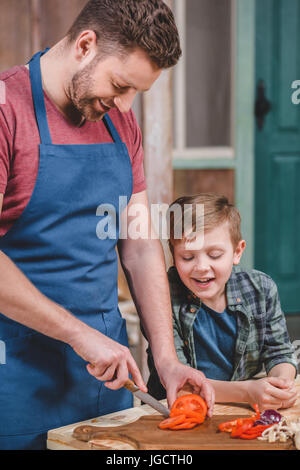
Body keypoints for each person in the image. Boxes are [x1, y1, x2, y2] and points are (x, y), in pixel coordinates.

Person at [0, 0, 214, 450]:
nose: (123, 104)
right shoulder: (7, 111)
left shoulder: (119, 120)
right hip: (15, 379)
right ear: (85, 45)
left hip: (109, 380)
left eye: (136, 92)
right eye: (120, 85)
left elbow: (137, 244)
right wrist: (79, 334)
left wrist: (166, 359)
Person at [147, 193, 298, 411]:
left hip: (238, 408)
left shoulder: (261, 289)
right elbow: (179, 381)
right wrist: (248, 391)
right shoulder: (161, 296)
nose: (201, 267)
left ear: (237, 252)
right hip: (174, 410)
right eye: (187, 257)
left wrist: (280, 384)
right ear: (173, 255)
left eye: (215, 255)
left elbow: (279, 353)